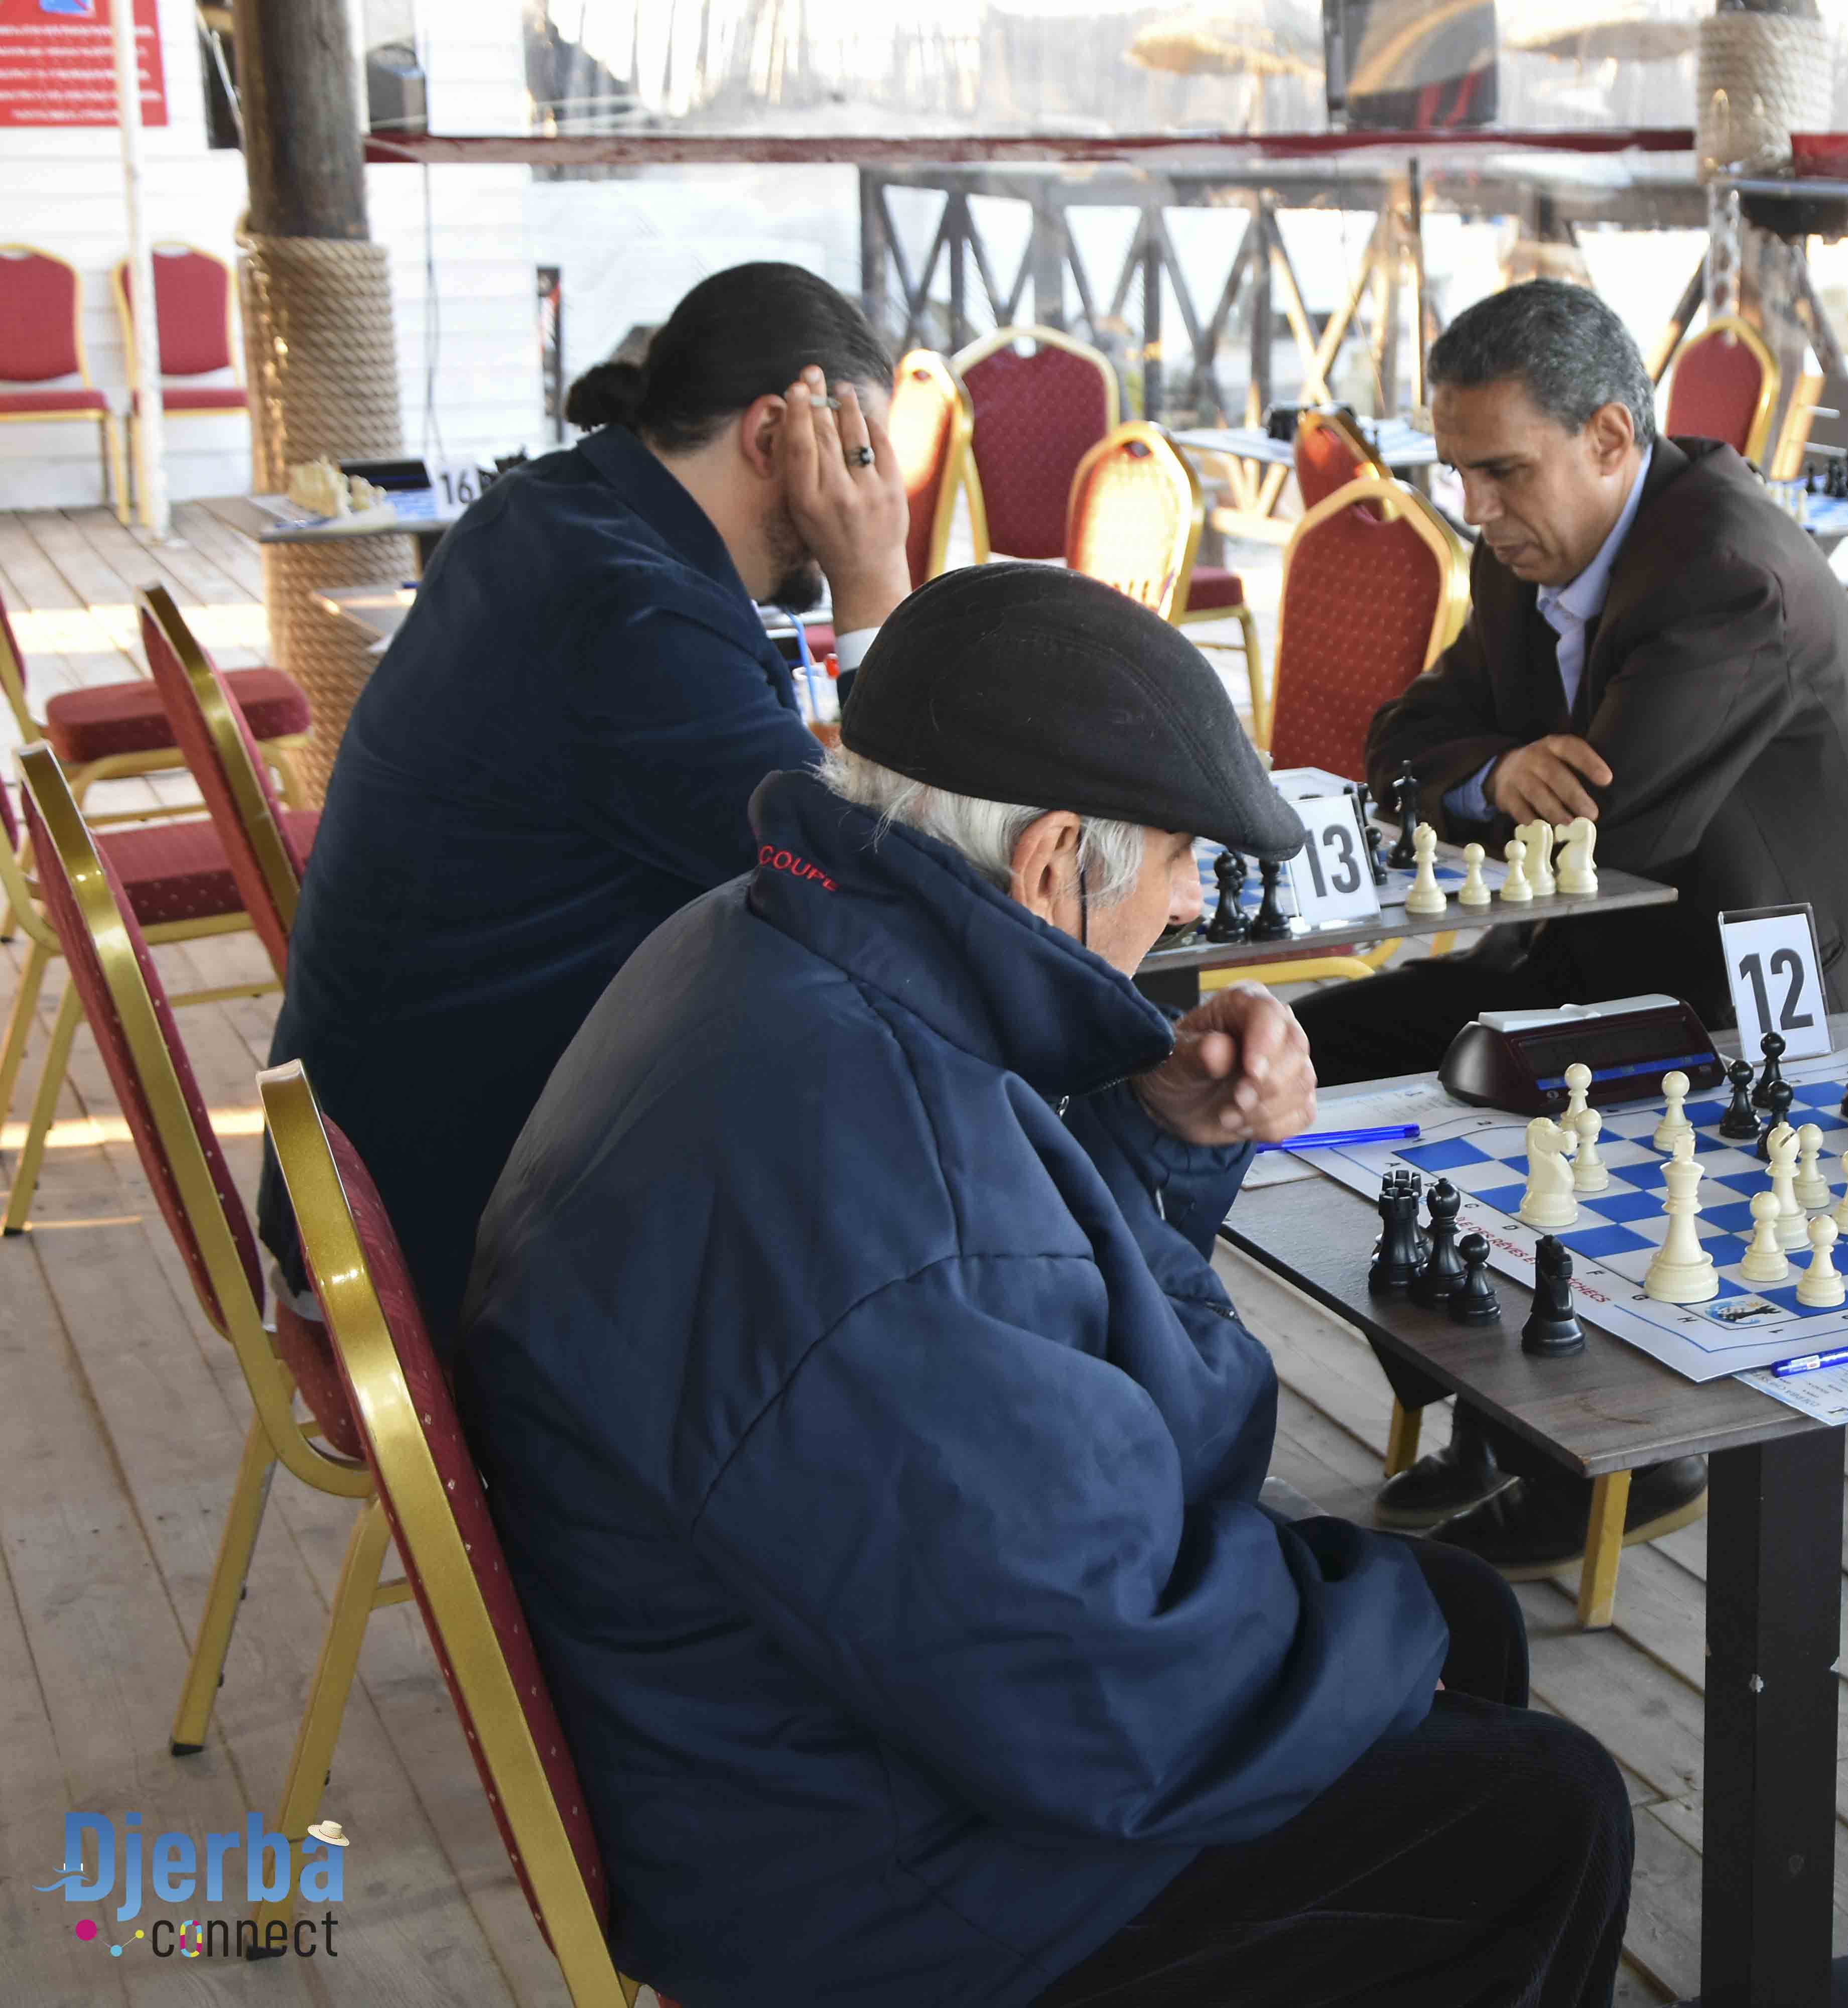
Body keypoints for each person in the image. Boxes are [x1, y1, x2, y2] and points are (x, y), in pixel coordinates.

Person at [457, 566, 1632, 2008]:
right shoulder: (883, 1185)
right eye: (1182, 860)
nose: (1196, 901)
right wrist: (1382, 1616)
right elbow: (1118, 1701)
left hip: (753, 1716)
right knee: (1547, 1808)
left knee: (1453, 1626)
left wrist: (1149, 1135)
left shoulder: (754, 939)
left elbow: (1017, 1368)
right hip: (863, 1872)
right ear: (1053, 858)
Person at [1294, 279, 1848, 1575]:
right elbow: (1401, 744)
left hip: (1766, 1004)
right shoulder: (1525, 548)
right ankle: (1497, 1403)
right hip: (1600, 952)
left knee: (1438, 1077)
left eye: (1502, 471)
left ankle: (1609, 1449)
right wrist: (1495, 769)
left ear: (1609, 437)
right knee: (1311, 1062)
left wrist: (1499, 781)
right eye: (1459, 473)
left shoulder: (1730, 579)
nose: (1474, 509)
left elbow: (1601, 834)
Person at [258, 262, 911, 1333]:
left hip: (360, 1183)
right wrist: (874, 575)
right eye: (863, 454)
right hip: (433, 1247)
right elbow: (880, 889)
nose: (876, 491)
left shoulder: (553, 512)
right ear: (775, 432)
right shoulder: (627, 611)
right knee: (895, 1222)